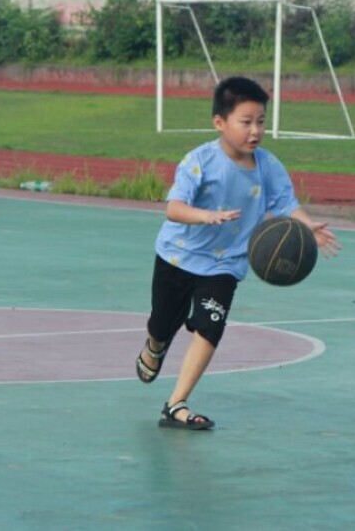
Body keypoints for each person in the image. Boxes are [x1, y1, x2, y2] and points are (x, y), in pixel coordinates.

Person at [135, 76, 341, 430]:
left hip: (225, 264)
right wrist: (206, 216)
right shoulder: (200, 161)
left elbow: (286, 203)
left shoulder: (268, 166)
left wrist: (307, 226)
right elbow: (174, 208)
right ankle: (155, 345)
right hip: (178, 256)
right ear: (220, 122)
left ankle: (176, 404)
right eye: (245, 122)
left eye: (261, 121)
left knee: (210, 327)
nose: (255, 131)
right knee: (162, 322)